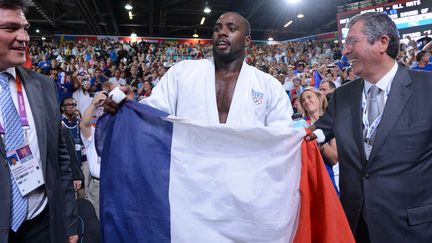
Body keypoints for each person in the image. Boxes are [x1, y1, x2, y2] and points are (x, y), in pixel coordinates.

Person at [306, 12, 432, 242]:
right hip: (356, 226)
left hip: (413, 229)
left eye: (352, 42)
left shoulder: (428, 88)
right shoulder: (343, 95)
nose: (345, 51)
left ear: (382, 42)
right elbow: (316, 133)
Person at [106, 12, 293, 126]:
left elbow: (281, 136)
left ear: (247, 41)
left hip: (245, 182)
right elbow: (154, 114)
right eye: (217, 28)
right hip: (189, 180)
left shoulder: (269, 86)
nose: (222, 32)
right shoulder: (182, 72)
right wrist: (131, 105)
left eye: (231, 28)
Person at [0, 1, 78, 242]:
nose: (24, 37)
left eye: (25, 28)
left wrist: (70, 223)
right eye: (11, 28)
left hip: (42, 223)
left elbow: (60, 160)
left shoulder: (43, 85)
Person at [299, 88, 339, 194]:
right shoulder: (299, 125)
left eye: (309, 97)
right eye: (303, 100)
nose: (306, 101)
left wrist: (317, 139)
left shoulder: (332, 123)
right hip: (306, 177)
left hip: (327, 177)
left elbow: (334, 158)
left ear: (320, 97)